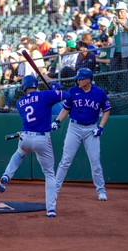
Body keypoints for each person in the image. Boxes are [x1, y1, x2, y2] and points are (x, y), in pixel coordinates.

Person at [0, 75, 70, 217]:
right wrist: (58, 90)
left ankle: (6, 176)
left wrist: (54, 95)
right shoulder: (45, 95)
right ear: (36, 84)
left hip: (25, 136)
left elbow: (35, 116)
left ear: (24, 86)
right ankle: (51, 209)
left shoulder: (20, 102)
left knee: (19, 153)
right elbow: (68, 96)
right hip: (42, 138)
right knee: (49, 174)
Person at [51, 68, 111, 201]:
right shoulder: (73, 91)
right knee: (65, 160)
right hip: (74, 127)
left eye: (81, 78)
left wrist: (101, 127)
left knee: (95, 161)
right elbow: (66, 109)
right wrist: (57, 121)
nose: (78, 80)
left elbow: (106, 110)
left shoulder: (99, 93)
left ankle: (101, 190)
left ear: (88, 80)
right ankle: (54, 190)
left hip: (91, 129)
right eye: (77, 78)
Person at [108, 1, 128, 93]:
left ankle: (126, 91)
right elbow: (110, 33)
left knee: (126, 72)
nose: (119, 13)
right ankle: (113, 91)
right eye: (118, 11)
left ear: (126, 11)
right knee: (113, 71)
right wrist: (113, 26)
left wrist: (123, 24)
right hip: (115, 50)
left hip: (127, 51)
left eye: (121, 11)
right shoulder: (113, 19)